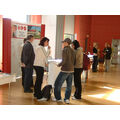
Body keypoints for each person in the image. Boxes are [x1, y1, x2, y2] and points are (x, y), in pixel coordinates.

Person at [53, 38, 75, 104]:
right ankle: (67, 99)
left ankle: (58, 98)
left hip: (65, 70)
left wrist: (59, 65)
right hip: (71, 70)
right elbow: (74, 61)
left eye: (64, 42)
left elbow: (64, 60)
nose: (63, 44)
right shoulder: (72, 50)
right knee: (69, 85)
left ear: (66, 43)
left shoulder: (64, 50)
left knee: (57, 84)